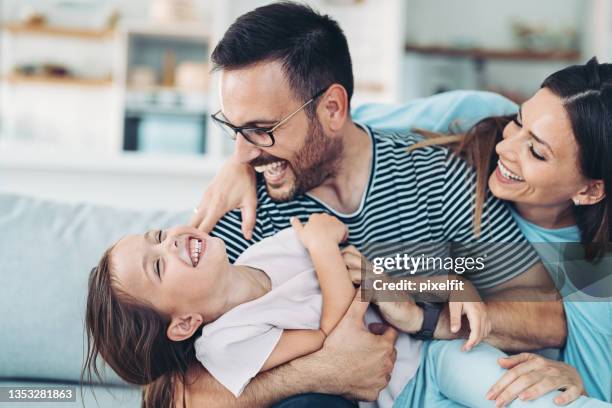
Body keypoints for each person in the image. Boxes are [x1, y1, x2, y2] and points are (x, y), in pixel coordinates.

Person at [178, 2, 564, 407]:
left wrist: (421, 315)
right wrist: (324, 370)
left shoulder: (436, 177)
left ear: (332, 109)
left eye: (261, 130)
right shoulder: (244, 213)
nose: (240, 154)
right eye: (234, 128)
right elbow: (168, 393)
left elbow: (547, 318)